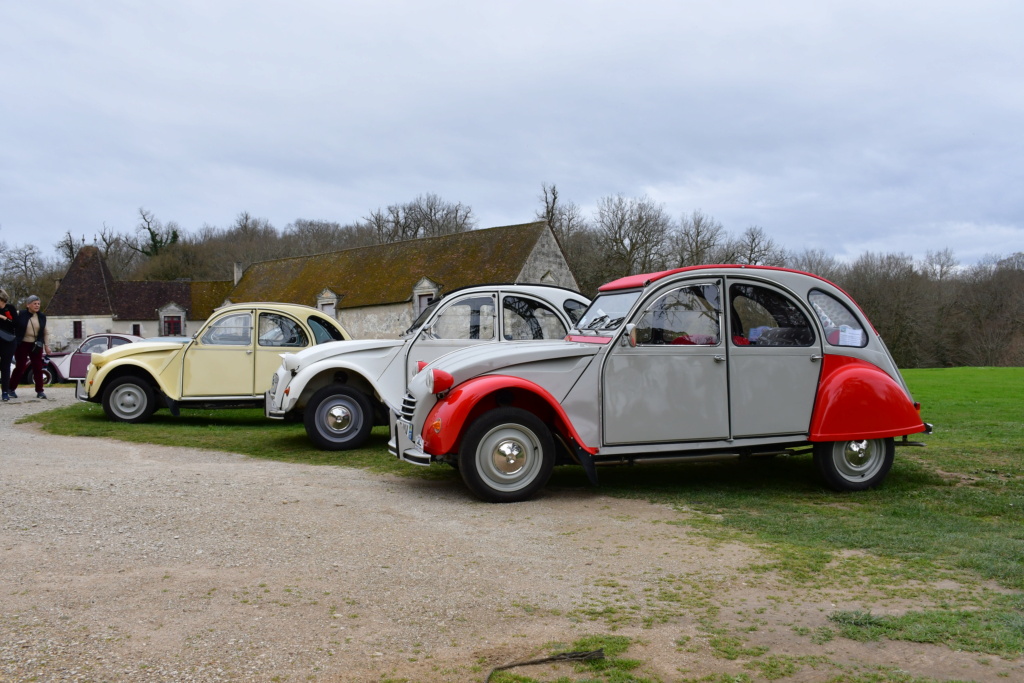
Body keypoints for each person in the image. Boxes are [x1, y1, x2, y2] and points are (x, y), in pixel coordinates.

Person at [9, 294, 50, 399]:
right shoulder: (20, 314)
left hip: (36, 344)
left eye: (38, 304)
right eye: (34, 303)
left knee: (38, 367)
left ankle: (40, 391)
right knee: (20, 366)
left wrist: (47, 346)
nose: (37, 305)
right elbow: (10, 322)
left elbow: (45, 332)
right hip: (22, 343)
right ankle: (11, 389)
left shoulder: (42, 316)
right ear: (28, 305)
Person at [0, 289, 16, 401]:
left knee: (5, 367)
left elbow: (16, 324)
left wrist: (3, 318)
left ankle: (5, 391)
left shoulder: (10, 308)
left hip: (8, 341)